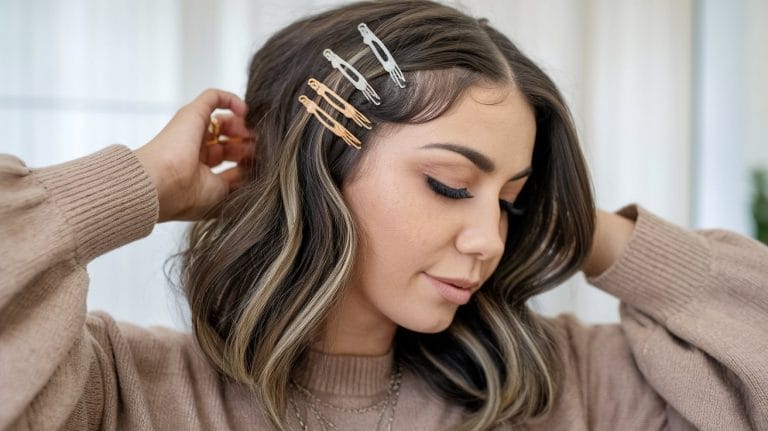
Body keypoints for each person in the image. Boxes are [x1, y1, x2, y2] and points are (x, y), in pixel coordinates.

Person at [1, 1, 766, 430]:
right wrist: (139, 183)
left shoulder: (571, 387)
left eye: (512, 199)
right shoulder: (120, 391)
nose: (490, 240)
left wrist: (573, 222)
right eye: (448, 183)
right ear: (315, 165)